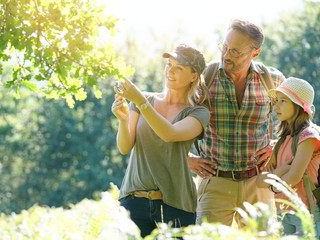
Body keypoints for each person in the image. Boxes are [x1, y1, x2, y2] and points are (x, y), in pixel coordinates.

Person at [188, 19, 286, 226]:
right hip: (214, 182)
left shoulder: (273, 81)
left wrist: (277, 145)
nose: (226, 55)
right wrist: (188, 159)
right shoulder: (205, 78)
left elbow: (299, 123)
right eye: (224, 47)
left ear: (255, 53)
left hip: (258, 182)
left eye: (235, 52)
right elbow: (170, 114)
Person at [112, 44, 211, 237]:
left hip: (175, 206)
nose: (170, 71)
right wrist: (123, 121)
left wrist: (140, 101)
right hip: (133, 201)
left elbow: (170, 134)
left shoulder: (198, 112)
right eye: (169, 64)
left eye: (178, 68)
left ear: (193, 76)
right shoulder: (144, 100)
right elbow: (124, 147)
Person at [256, 77, 320, 237]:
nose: (276, 105)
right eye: (276, 100)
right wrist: (282, 170)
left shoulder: (308, 136)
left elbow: (294, 177)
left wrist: (272, 182)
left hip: (306, 212)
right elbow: (259, 180)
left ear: (298, 106)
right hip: (282, 212)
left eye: (283, 101)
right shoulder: (283, 140)